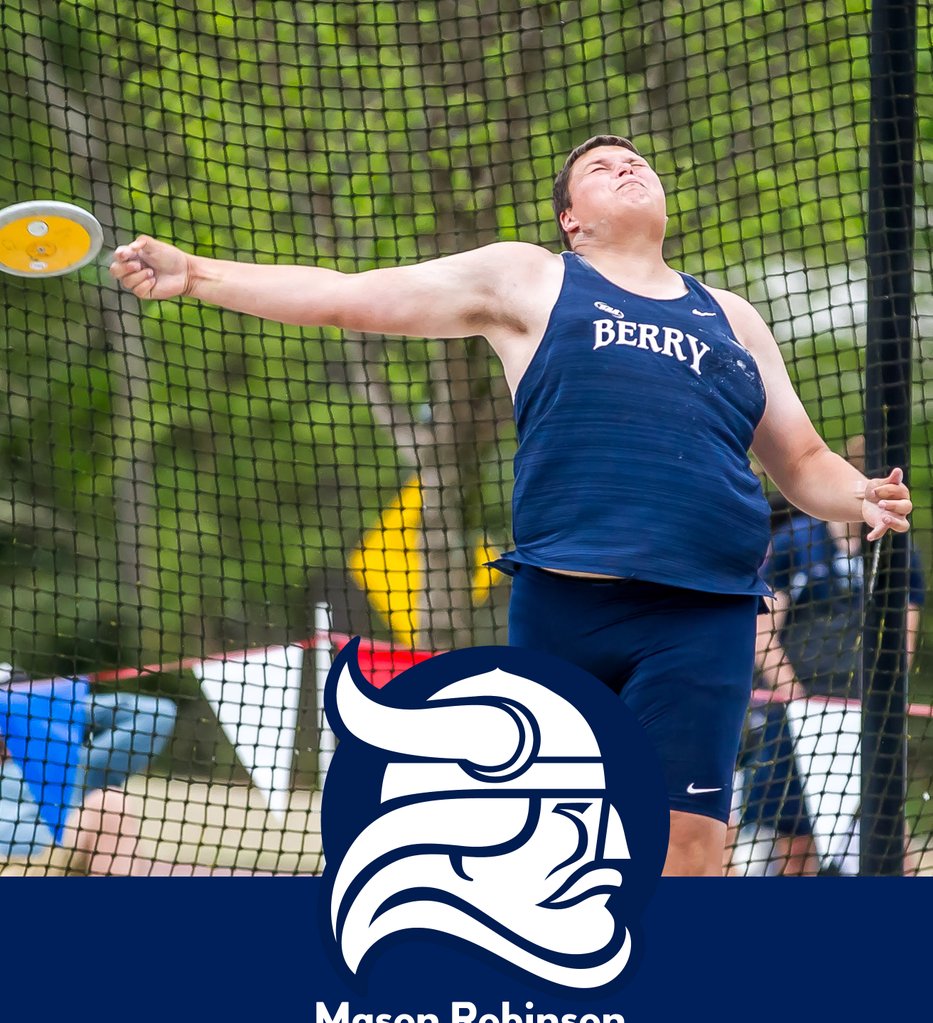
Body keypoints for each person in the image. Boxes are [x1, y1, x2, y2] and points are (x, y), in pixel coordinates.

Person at [109, 134, 912, 876]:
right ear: (571, 219)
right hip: (568, 603)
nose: (626, 166)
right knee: (548, 839)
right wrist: (200, 274)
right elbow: (348, 294)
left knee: (689, 842)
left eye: (636, 160)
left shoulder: (730, 316)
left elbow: (803, 463)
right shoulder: (531, 277)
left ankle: (667, 1020)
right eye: (600, 167)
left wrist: (860, 496)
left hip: (703, 612)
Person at [735, 437, 924, 875]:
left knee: (889, 839)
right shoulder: (794, 542)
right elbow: (762, 628)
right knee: (794, 843)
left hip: (863, 714)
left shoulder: (900, 552)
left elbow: (904, 642)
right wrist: (796, 697)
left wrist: (884, 699)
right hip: (796, 714)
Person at [0, 677, 177, 867]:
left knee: (111, 802)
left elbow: (158, 713)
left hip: (53, 865)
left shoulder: (75, 763)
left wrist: (63, 710)